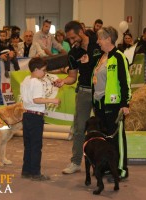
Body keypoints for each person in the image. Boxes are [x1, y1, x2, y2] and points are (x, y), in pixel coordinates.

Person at [53, 21, 101, 174]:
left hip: (101, 93)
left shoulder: (99, 43)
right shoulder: (73, 53)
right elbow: (72, 77)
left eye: (73, 37)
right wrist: (63, 81)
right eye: (69, 40)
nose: (72, 41)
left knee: (103, 128)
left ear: (81, 30)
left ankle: (103, 163)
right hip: (83, 92)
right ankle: (75, 162)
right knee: (79, 129)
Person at [93, 26, 131, 182]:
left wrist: (125, 103)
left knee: (116, 139)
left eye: (100, 38)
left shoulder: (119, 57)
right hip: (99, 103)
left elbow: (125, 82)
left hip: (114, 105)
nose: (98, 41)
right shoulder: (100, 57)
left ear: (109, 39)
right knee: (106, 139)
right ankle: (109, 167)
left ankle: (121, 168)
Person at [20, 57, 60, 181]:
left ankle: (26, 170)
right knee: (36, 146)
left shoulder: (26, 79)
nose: (44, 73)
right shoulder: (36, 82)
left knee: (28, 145)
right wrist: (53, 100)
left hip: (26, 115)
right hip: (35, 116)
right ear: (36, 70)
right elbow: (36, 99)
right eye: (43, 70)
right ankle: (35, 172)